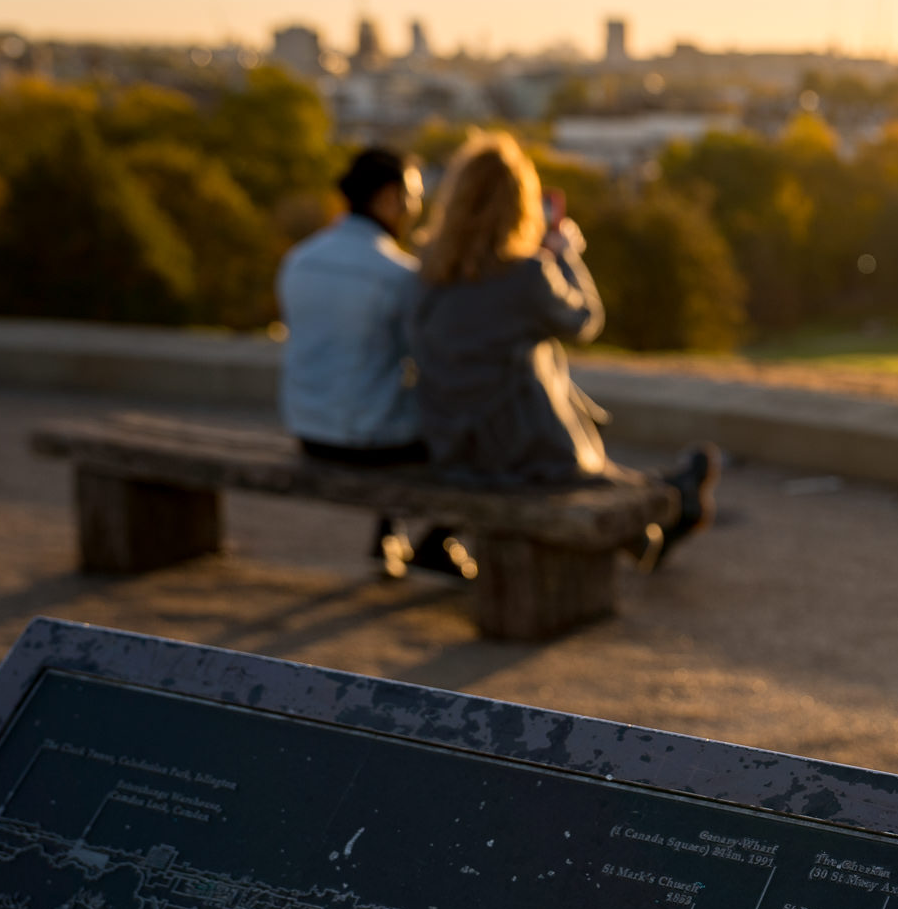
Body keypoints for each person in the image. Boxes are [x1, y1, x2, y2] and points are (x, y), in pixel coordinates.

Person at [409, 130, 716, 567]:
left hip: (450, 445)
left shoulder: (428, 268)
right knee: (581, 464)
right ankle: (668, 498)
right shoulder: (527, 274)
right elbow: (586, 321)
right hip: (515, 453)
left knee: (538, 365)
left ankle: (657, 515)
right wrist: (566, 256)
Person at [274, 147, 468, 578]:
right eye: (412, 196)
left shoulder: (298, 260)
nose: (416, 209)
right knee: (481, 426)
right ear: (387, 197)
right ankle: (438, 539)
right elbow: (433, 363)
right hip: (367, 442)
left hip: (308, 428)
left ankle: (387, 534)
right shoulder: (396, 275)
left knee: (378, 388)